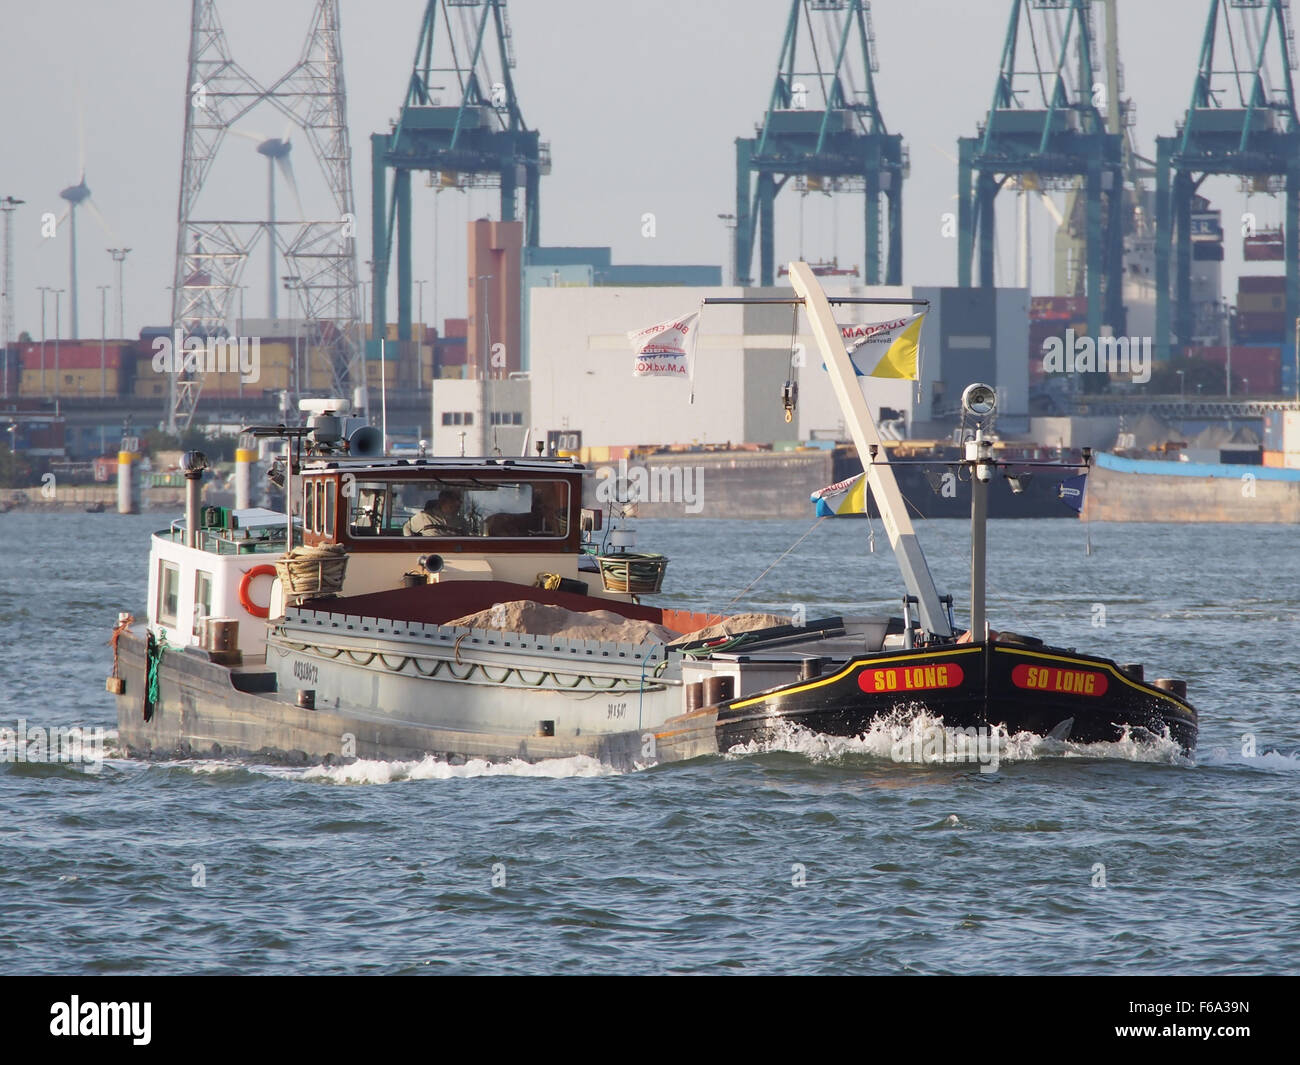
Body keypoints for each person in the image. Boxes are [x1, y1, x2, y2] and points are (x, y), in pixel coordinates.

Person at [403, 489, 467, 536]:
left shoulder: (462, 522)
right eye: (453, 499)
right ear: (443, 502)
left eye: (459, 500)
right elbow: (407, 527)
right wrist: (411, 544)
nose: (458, 503)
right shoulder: (424, 516)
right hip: (430, 551)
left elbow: (470, 537)